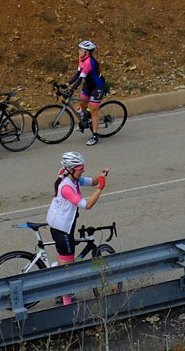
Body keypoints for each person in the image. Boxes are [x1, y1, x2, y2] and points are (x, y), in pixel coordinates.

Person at [45, 150, 109, 305]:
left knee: (65, 262)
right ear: (71, 169)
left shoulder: (72, 179)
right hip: (62, 230)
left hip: (61, 226)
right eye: (81, 169)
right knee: (68, 270)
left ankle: (60, 278)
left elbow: (91, 181)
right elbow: (87, 205)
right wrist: (100, 189)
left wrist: (101, 177)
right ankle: (66, 303)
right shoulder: (66, 187)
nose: (83, 170)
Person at [68, 40, 107, 146]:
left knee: (93, 110)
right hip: (88, 85)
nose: (79, 51)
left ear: (87, 52)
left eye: (81, 50)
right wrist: (67, 84)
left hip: (97, 86)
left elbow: (80, 79)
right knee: (81, 105)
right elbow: (77, 74)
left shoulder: (89, 62)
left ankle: (95, 135)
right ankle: (86, 120)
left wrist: (71, 90)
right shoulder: (81, 59)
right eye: (79, 49)